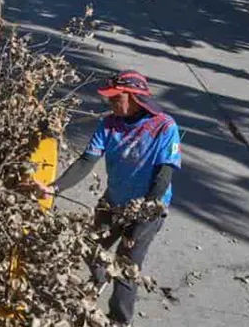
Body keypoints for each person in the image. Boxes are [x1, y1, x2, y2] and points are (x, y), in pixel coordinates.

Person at [30, 70, 181, 326]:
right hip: (113, 200)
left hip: (148, 209)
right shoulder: (110, 123)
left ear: (134, 97)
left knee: (126, 268)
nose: (109, 103)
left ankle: (120, 320)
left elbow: (162, 178)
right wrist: (54, 188)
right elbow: (86, 161)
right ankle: (99, 279)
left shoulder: (164, 127)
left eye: (115, 98)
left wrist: (139, 221)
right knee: (90, 245)